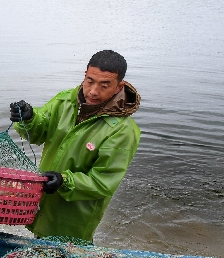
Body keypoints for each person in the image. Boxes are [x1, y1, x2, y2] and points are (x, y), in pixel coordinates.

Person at [10, 50, 141, 242]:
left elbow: (103, 182)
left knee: (69, 248)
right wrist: (29, 118)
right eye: (90, 81)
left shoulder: (122, 131)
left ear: (118, 87)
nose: (93, 91)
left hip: (75, 216)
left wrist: (64, 181)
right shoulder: (64, 101)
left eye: (104, 85)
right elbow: (38, 131)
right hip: (43, 202)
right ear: (85, 75)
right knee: (40, 241)